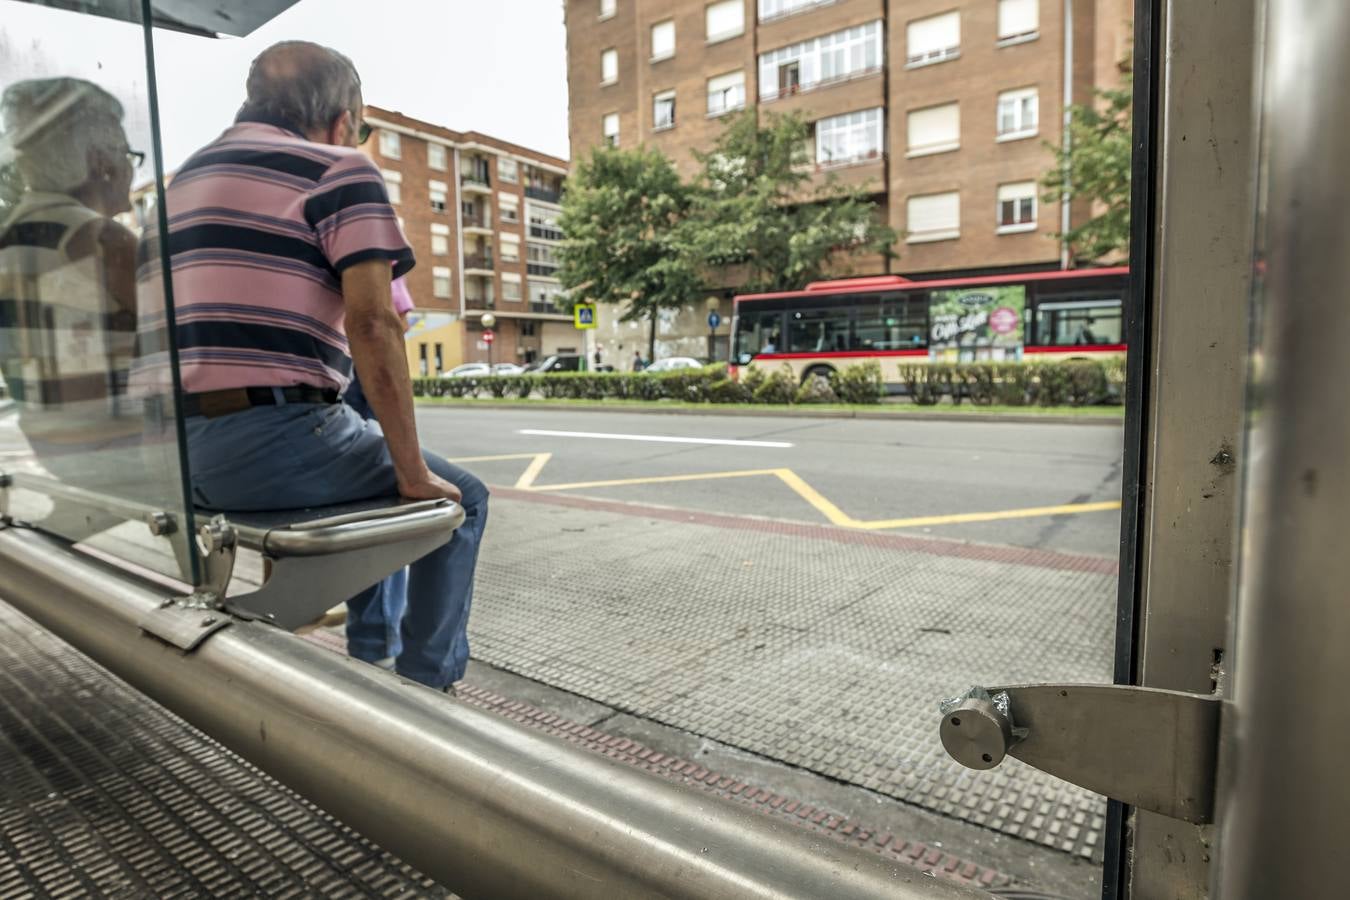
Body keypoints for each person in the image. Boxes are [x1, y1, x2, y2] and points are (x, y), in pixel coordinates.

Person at [146, 42, 487, 691]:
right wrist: (411, 472)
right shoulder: (337, 167)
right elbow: (373, 324)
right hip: (274, 441)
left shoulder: (181, 183)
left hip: (174, 457)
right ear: (342, 120)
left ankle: (374, 645)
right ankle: (427, 687)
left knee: (364, 476)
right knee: (462, 500)